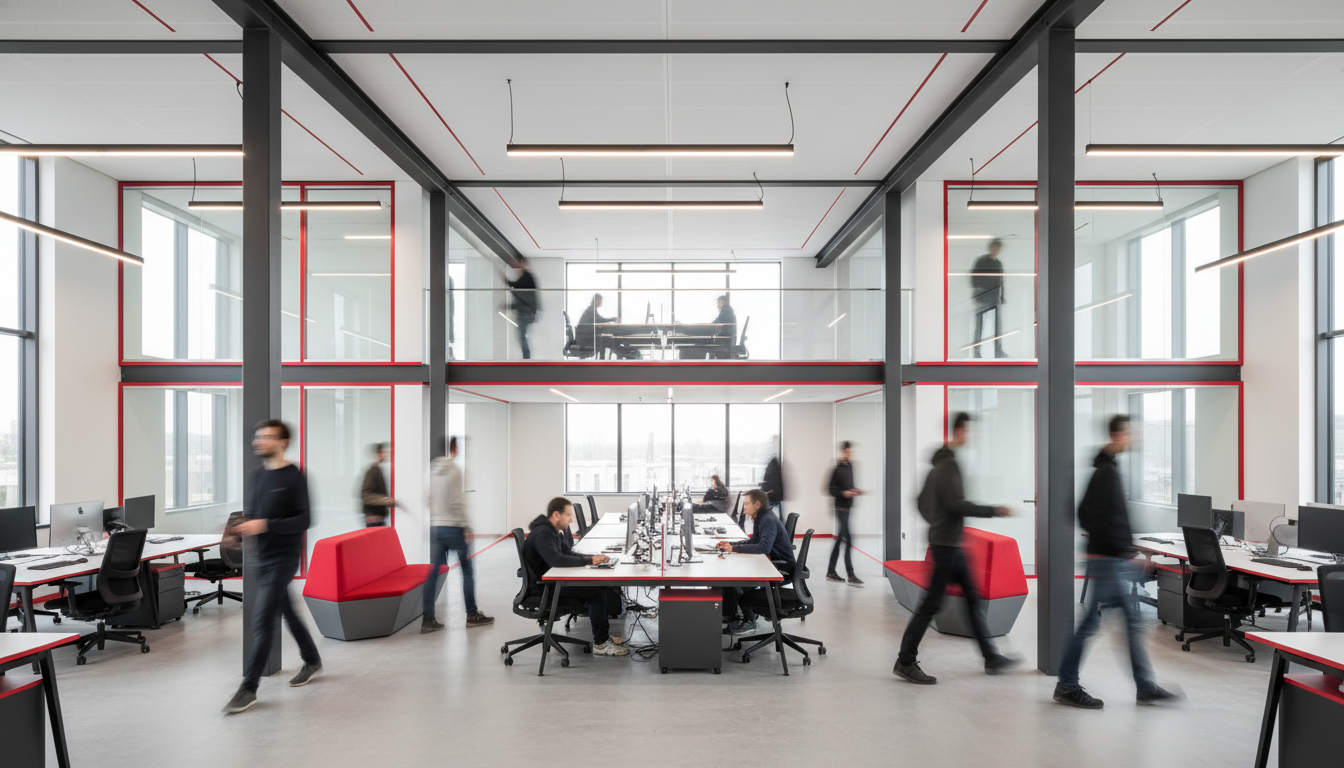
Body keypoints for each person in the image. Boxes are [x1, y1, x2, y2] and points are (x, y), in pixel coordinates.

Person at [1055, 415, 1178, 709]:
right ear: (1117, 435)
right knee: (1096, 624)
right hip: (1107, 561)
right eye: (1129, 433)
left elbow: (1094, 515)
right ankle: (1068, 684)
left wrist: (1124, 550)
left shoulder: (1107, 469)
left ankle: (1143, 686)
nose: (1134, 438)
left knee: (1125, 622)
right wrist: (1121, 551)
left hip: (1109, 558)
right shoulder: (1106, 473)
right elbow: (1095, 516)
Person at [894, 412, 1017, 685]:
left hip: (950, 544)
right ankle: (905, 660)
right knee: (931, 605)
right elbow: (955, 504)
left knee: (972, 600)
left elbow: (920, 501)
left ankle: (991, 657)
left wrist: (935, 522)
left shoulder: (938, 464)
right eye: (969, 430)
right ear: (960, 430)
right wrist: (994, 510)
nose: (972, 435)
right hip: (947, 546)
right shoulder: (949, 464)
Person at [225, 420, 322, 714]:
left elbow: (304, 520)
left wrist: (265, 525)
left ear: (283, 442)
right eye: (258, 437)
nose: (259, 441)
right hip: (262, 556)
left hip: (284, 557)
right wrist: (238, 530)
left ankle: (249, 687)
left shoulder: (295, 476)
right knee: (288, 611)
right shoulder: (257, 476)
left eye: (267, 437)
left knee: (262, 620)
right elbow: (254, 514)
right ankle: (312, 658)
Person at [522, 497, 628, 656]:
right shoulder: (543, 533)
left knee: (600, 586)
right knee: (596, 592)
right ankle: (601, 643)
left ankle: (604, 635)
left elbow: (568, 553)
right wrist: (590, 561)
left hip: (554, 580)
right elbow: (556, 560)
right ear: (556, 515)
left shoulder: (552, 530)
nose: (571, 519)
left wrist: (593, 558)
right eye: (568, 515)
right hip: (545, 587)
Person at [421, 437, 494, 633]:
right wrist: (467, 526)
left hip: (436, 527)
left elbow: (426, 499)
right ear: (453, 448)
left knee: (433, 573)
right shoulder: (455, 471)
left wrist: (437, 516)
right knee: (467, 571)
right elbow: (458, 502)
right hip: (454, 528)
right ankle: (472, 615)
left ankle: (428, 618)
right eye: (459, 447)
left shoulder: (430, 470)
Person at [717, 489, 795, 634]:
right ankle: (731, 616)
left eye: (747, 504)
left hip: (780, 568)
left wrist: (733, 548)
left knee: (733, 580)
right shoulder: (761, 517)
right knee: (730, 577)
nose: (744, 507)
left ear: (757, 504)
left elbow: (764, 548)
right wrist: (730, 545)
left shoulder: (767, 520)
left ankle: (749, 620)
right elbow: (754, 541)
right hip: (770, 562)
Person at [826, 441, 862, 585]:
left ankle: (831, 571)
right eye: (846, 452)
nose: (849, 454)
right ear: (842, 452)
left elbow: (850, 485)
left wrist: (854, 490)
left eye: (850, 452)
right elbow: (829, 489)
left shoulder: (851, 467)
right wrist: (843, 493)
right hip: (839, 509)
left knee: (840, 540)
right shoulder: (837, 469)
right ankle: (850, 574)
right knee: (849, 540)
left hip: (848, 508)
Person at [969, 238, 1006, 358]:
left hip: (994, 296)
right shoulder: (981, 261)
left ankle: (998, 350)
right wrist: (977, 292)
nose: (997, 250)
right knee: (980, 325)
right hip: (983, 296)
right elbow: (974, 277)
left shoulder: (998, 263)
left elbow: (1001, 280)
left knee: (997, 325)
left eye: (998, 248)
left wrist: (1002, 296)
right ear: (991, 247)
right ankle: (976, 351)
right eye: (995, 247)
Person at [504, 255, 539, 359]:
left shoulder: (527, 276)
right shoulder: (525, 276)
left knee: (522, 336)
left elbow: (517, 289)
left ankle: (526, 358)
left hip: (526, 311)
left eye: (517, 262)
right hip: (525, 311)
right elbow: (517, 289)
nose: (515, 265)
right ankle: (526, 357)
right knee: (522, 336)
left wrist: (507, 281)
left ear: (522, 262)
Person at [359, 442, 398, 527]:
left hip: (379, 518)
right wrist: (386, 500)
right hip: (374, 519)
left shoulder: (379, 470)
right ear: (379, 453)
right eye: (385, 452)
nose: (387, 455)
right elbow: (366, 495)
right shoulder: (372, 472)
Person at [761, 436, 785, 520]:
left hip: (773, 495)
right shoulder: (775, 459)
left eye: (775, 442)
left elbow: (774, 479)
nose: (773, 444)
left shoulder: (775, 460)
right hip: (773, 494)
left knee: (765, 517)